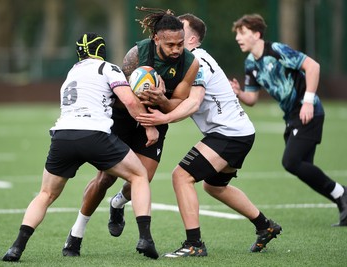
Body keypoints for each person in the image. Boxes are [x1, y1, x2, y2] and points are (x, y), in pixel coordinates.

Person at [1, 32, 160, 262]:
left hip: (63, 136)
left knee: (45, 194)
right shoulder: (107, 68)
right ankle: (145, 237)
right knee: (138, 175)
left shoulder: (72, 73)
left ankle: (16, 247)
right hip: (95, 135)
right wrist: (149, 127)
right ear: (101, 51)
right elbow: (129, 101)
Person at [136, 13, 282, 257]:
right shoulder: (188, 62)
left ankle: (194, 244)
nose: (175, 40)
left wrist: (163, 117)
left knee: (181, 176)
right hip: (238, 132)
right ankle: (264, 225)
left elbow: (193, 103)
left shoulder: (198, 61)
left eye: (180, 35)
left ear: (190, 38)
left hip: (229, 134)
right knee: (214, 187)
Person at [61, 7, 199, 257]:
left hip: (158, 116)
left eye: (180, 44)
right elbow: (128, 99)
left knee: (141, 179)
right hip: (124, 116)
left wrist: (161, 102)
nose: (177, 50)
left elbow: (177, 101)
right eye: (170, 45)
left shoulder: (190, 63)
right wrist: (149, 125)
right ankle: (75, 235)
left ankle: (118, 204)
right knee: (105, 178)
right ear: (156, 39)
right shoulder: (136, 54)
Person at [230, 14, 347, 227]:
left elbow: (313, 67)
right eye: (237, 34)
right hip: (291, 117)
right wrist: (238, 92)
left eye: (243, 33)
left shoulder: (277, 50)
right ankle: (342, 200)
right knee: (303, 167)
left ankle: (342, 193)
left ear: (256, 34)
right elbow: (253, 99)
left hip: (308, 112)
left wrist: (308, 101)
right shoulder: (250, 63)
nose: (238, 38)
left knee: (291, 162)